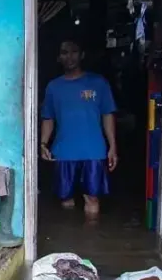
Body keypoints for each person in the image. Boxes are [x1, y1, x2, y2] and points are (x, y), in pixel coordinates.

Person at [40, 39, 118, 216]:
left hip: (93, 151)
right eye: (64, 52)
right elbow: (48, 117)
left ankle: (90, 241)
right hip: (64, 151)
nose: (69, 57)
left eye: (74, 51)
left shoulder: (99, 83)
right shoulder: (53, 87)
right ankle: (70, 240)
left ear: (82, 55)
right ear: (59, 58)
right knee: (65, 199)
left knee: (92, 198)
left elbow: (108, 114)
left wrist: (113, 146)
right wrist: (43, 144)